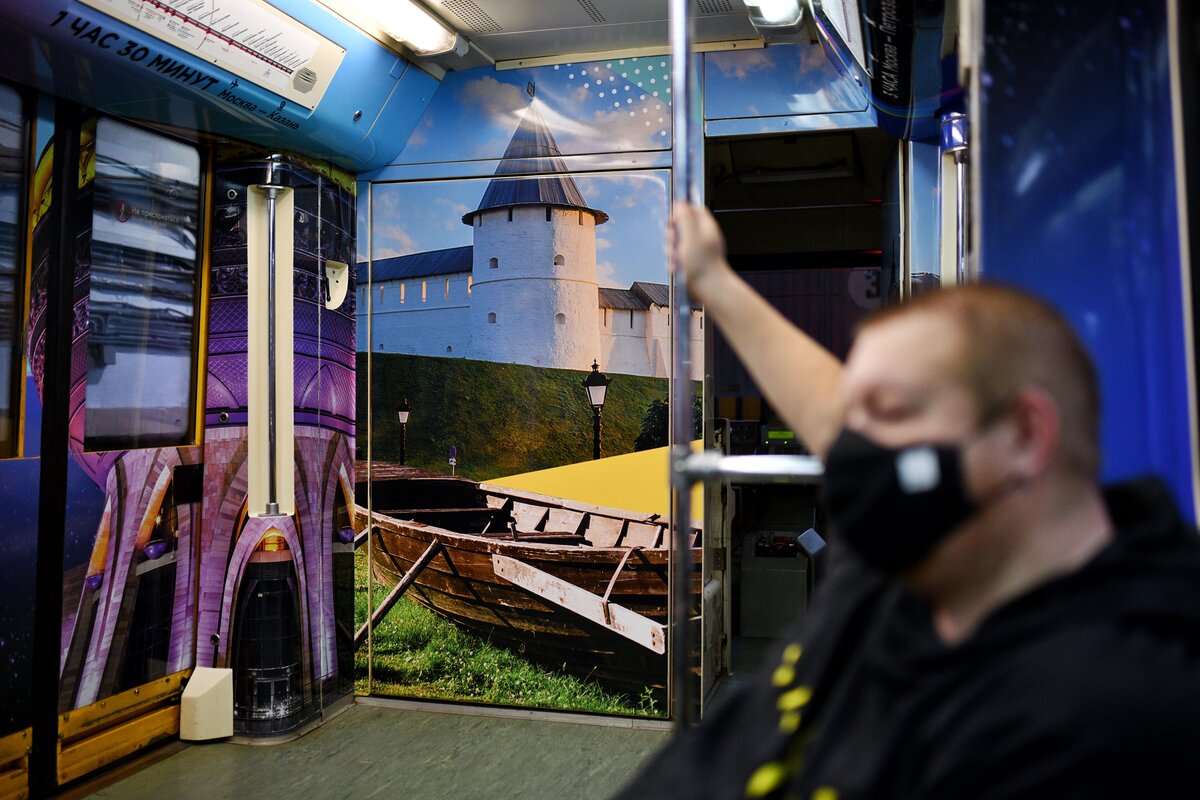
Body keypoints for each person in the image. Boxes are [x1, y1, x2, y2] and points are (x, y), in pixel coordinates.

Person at [614, 204, 1200, 799]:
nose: (853, 447)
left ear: (1023, 435)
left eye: (889, 412)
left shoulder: (1099, 720)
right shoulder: (918, 554)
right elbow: (831, 406)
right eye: (856, 415)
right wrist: (713, 278)